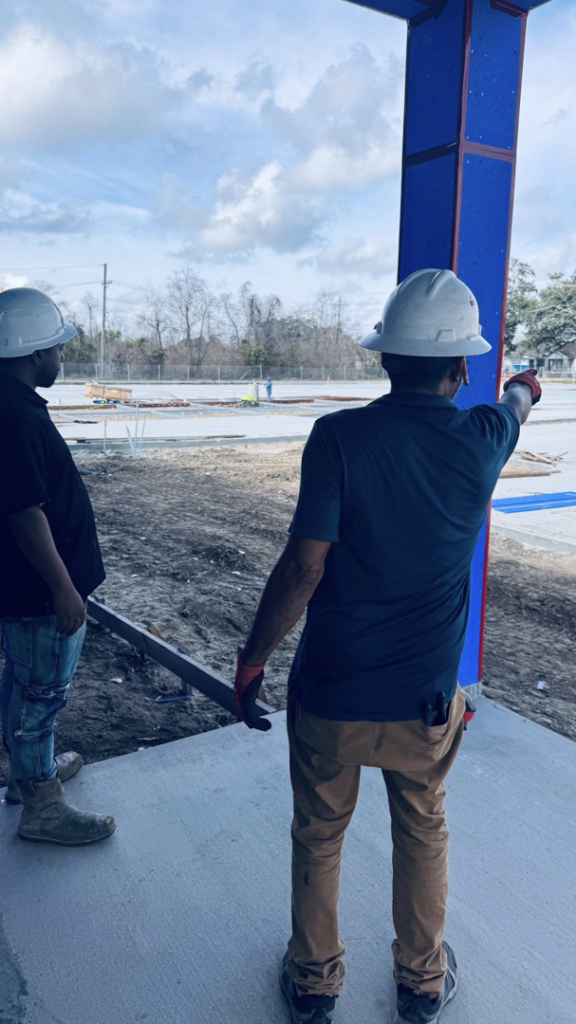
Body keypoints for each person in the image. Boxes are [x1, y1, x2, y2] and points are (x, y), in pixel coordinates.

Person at [233, 269, 541, 1024]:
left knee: (319, 834)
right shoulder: (482, 441)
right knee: (423, 830)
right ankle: (421, 982)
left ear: (384, 358)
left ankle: (313, 983)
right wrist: (526, 386)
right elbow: (515, 406)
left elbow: (305, 566)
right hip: (425, 702)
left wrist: (252, 661)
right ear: (460, 367)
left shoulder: (338, 438)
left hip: (333, 693)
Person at [0, 287, 115, 846]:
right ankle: (41, 805)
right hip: (38, 595)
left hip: (27, 590)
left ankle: (29, 777)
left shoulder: (11, 403)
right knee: (40, 694)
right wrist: (64, 589)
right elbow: (24, 513)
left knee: (22, 685)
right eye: (56, 348)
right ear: (33, 353)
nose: (60, 358)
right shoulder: (13, 415)